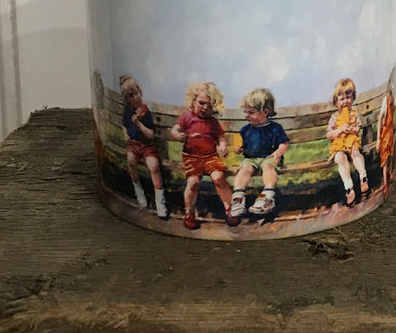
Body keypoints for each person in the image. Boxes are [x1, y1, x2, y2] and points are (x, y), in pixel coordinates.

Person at [171, 81, 237, 230]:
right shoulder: (187, 117)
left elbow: (220, 136)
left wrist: (222, 145)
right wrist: (177, 135)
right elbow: (175, 129)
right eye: (201, 103)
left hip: (210, 156)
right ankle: (189, 213)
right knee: (193, 182)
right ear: (193, 100)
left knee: (218, 177)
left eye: (209, 106)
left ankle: (231, 209)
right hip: (192, 157)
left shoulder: (212, 122)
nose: (205, 108)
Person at [231, 88, 289, 219]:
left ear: (265, 112)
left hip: (269, 157)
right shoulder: (245, 129)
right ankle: (238, 198)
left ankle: (267, 196)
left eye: (251, 112)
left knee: (268, 169)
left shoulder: (275, 128)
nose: (246, 115)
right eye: (245, 112)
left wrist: (279, 152)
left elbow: (284, 143)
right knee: (244, 169)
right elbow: (238, 143)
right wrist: (237, 148)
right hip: (250, 158)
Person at [118, 75, 168, 219]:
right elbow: (125, 125)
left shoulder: (145, 112)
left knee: (153, 165)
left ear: (140, 92)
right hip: (134, 144)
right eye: (131, 96)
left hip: (147, 145)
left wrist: (139, 124)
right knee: (131, 160)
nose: (135, 97)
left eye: (136, 93)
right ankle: (139, 192)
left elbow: (151, 135)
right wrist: (126, 134)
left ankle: (160, 201)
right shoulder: (128, 112)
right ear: (127, 100)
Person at [326, 77, 369, 205]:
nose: (345, 101)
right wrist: (339, 130)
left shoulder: (354, 114)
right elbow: (329, 134)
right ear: (336, 103)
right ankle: (349, 187)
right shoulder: (334, 117)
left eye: (348, 97)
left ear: (353, 99)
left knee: (355, 152)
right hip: (339, 145)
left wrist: (351, 129)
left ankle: (363, 177)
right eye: (342, 99)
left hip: (351, 142)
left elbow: (357, 129)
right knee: (340, 158)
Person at [377, 84, 396, 198]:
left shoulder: (392, 101)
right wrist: (379, 138)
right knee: (384, 158)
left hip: (390, 133)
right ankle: (385, 184)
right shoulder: (386, 101)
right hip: (385, 134)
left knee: (390, 154)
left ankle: (390, 174)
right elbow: (380, 118)